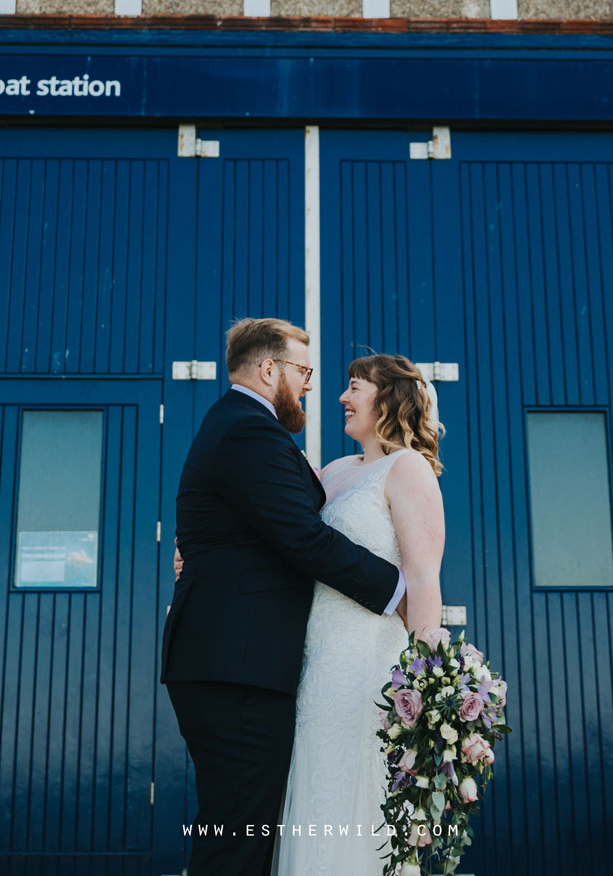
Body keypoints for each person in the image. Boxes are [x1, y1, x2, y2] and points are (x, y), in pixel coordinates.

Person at [161, 319, 444, 876]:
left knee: (255, 827)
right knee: (240, 830)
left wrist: (429, 669)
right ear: (270, 370)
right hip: (252, 665)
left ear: (387, 400)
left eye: (352, 385)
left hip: (331, 664)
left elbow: (418, 571)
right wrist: (395, 593)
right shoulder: (269, 439)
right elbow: (301, 536)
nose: (325, 390)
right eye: (307, 373)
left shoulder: (383, 467)